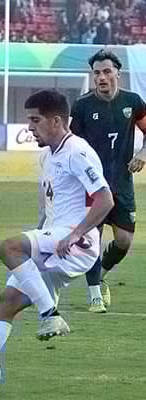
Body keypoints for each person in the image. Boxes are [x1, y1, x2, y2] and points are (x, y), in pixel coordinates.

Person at [0, 90, 113, 367]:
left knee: (7, 247)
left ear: (56, 121)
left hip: (76, 242)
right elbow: (52, 205)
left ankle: (50, 314)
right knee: (5, 303)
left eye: (35, 120)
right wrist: (39, 233)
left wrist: (75, 233)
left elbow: (105, 200)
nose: (29, 127)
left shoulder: (78, 152)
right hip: (56, 238)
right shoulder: (48, 156)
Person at [70, 50, 146, 313]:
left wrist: (142, 154)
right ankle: (94, 296)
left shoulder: (133, 102)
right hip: (92, 186)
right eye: (96, 73)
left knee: (124, 241)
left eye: (106, 72)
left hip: (122, 185)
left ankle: (100, 274)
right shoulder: (82, 106)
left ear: (117, 74)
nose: (101, 77)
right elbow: (72, 145)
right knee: (93, 239)